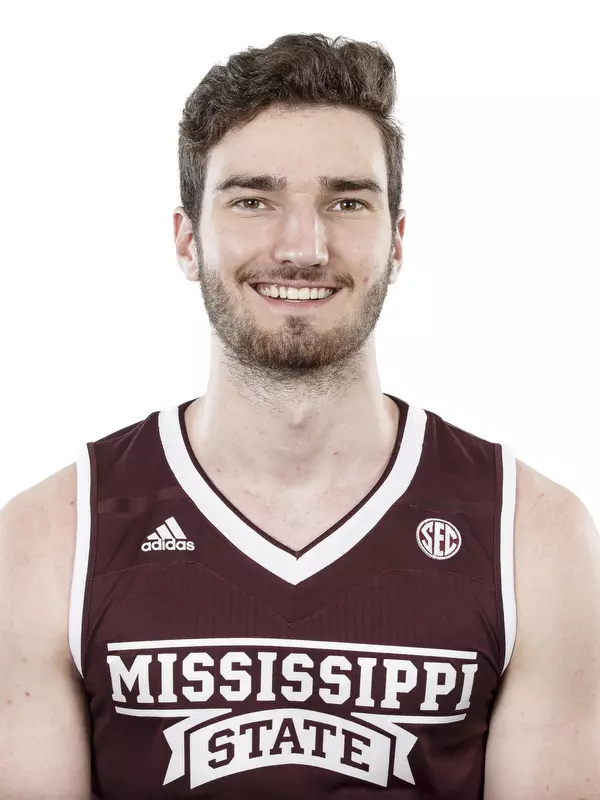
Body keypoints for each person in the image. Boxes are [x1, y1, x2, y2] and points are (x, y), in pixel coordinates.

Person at [1, 32, 599, 800]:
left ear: (398, 242)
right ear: (187, 240)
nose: (303, 246)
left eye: (347, 202)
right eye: (254, 200)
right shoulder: (52, 540)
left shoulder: (532, 537)